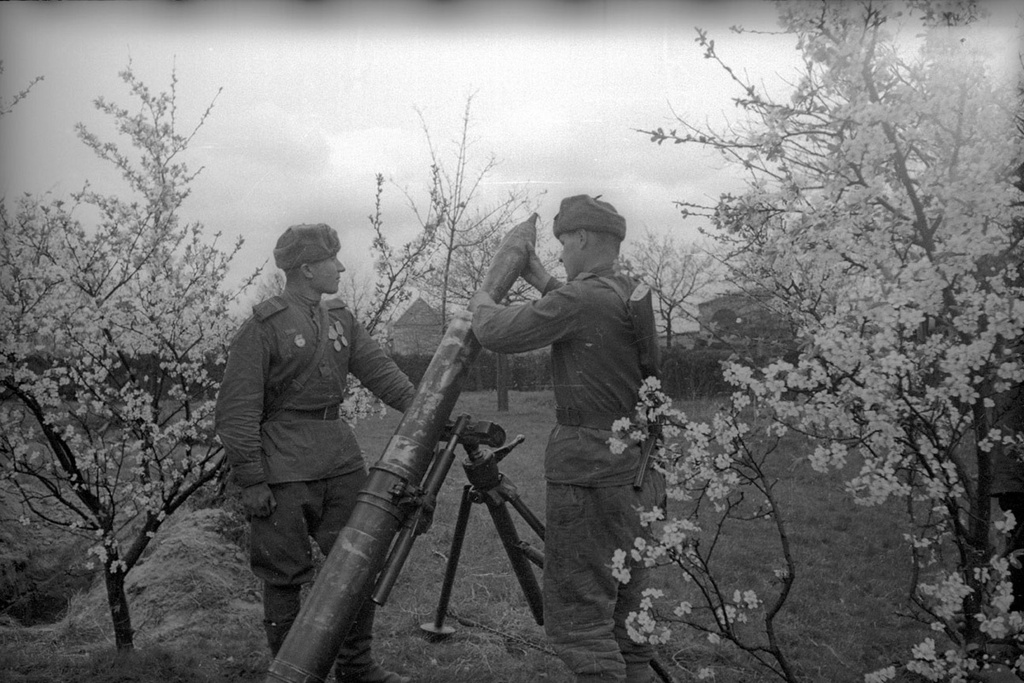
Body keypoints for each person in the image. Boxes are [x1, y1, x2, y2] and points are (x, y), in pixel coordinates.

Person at [470, 195, 665, 683]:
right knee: (627, 614)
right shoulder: (625, 291)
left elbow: (494, 331)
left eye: (563, 243)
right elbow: (579, 307)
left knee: (581, 618)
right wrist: (540, 279)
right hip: (637, 472)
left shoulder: (582, 299)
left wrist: (480, 299)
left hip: (590, 470)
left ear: (580, 238)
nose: (558, 254)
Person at [215, 223, 415, 683]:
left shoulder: (341, 318)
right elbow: (237, 410)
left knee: (357, 563)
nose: (341, 267)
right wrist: (252, 479)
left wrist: (428, 410)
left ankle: (357, 667)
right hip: (282, 467)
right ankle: (292, 674)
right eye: (332, 260)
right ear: (306, 268)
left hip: (340, 460)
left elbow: (381, 373)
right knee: (284, 576)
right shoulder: (262, 328)